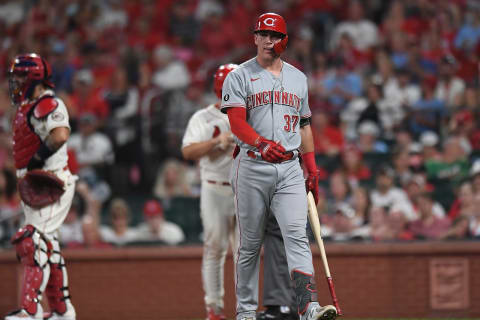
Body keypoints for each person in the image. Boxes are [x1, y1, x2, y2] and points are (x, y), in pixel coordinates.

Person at [221, 13, 337, 320]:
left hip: (289, 168)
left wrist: (311, 169)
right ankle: (245, 312)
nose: (269, 41)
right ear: (255, 37)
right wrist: (259, 143)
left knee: (297, 235)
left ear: (284, 40)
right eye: (264, 35)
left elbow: (305, 126)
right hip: (252, 166)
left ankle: (308, 307)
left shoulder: (299, 78)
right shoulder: (239, 76)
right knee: (249, 244)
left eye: (275, 36)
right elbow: (235, 121)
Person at [5, 53, 76, 320]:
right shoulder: (30, 105)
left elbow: (60, 135)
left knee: (31, 242)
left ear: (33, 77)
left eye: (20, 76)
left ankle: (30, 310)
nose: (16, 82)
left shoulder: (49, 103)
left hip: (50, 182)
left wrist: (37, 160)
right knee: (50, 246)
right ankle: (62, 311)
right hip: (34, 183)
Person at [181, 64, 238, 320]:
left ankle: (245, 308)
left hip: (243, 189)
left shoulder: (251, 115)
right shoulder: (202, 117)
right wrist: (217, 141)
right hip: (214, 188)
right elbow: (188, 151)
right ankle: (213, 309)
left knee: (244, 252)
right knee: (214, 248)